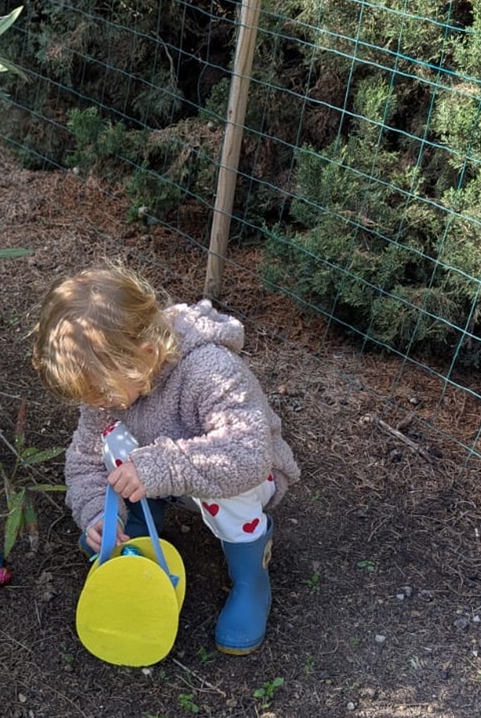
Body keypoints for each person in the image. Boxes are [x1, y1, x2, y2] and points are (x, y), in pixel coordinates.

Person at [32, 263, 300, 655]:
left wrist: (158, 467)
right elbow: (85, 457)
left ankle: (250, 579)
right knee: (109, 439)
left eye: (100, 394)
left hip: (245, 478)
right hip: (164, 476)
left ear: (145, 354)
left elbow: (248, 454)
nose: (95, 404)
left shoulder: (209, 370)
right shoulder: (113, 381)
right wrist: (97, 514)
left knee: (230, 487)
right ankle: (134, 528)